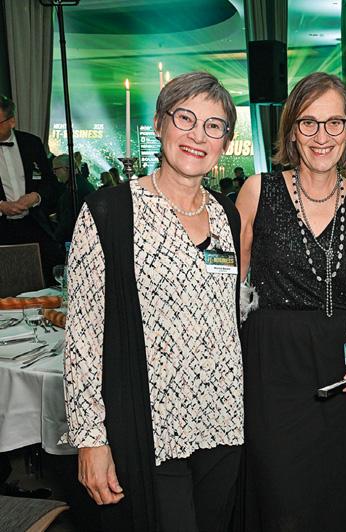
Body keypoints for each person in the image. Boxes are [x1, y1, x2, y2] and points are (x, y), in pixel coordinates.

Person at [62, 71, 244, 531]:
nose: (197, 135)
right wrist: (91, 439)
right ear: (160, 124)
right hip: (151, 429)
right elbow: (83, 337)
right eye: (185, 118)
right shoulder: (109, 212)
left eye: (213, 126)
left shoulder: (227, 215)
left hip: (224, 423)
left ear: (225, 142)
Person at [234, 72, 346, 531]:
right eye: (309, 123)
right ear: (292, 131)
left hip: (345, 372)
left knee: (343, 497)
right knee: (283, 500)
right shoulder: (258, 191)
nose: (322, 136)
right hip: (273, 369)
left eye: (334, 123)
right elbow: (230, 290)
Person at [0, 95, 60, 283]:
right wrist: (1, 206)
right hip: (2, 228)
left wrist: (35, 197)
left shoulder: (31, 143)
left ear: (12, 121)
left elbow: (51, 183)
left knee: (42, 280)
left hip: (33, 224)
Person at [51, 154, 96, 243]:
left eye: (55, 169)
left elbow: (67, 222)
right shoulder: (82, 183)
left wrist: (54, 240)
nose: (54, 173)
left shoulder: (73, 189)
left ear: (66, 168)